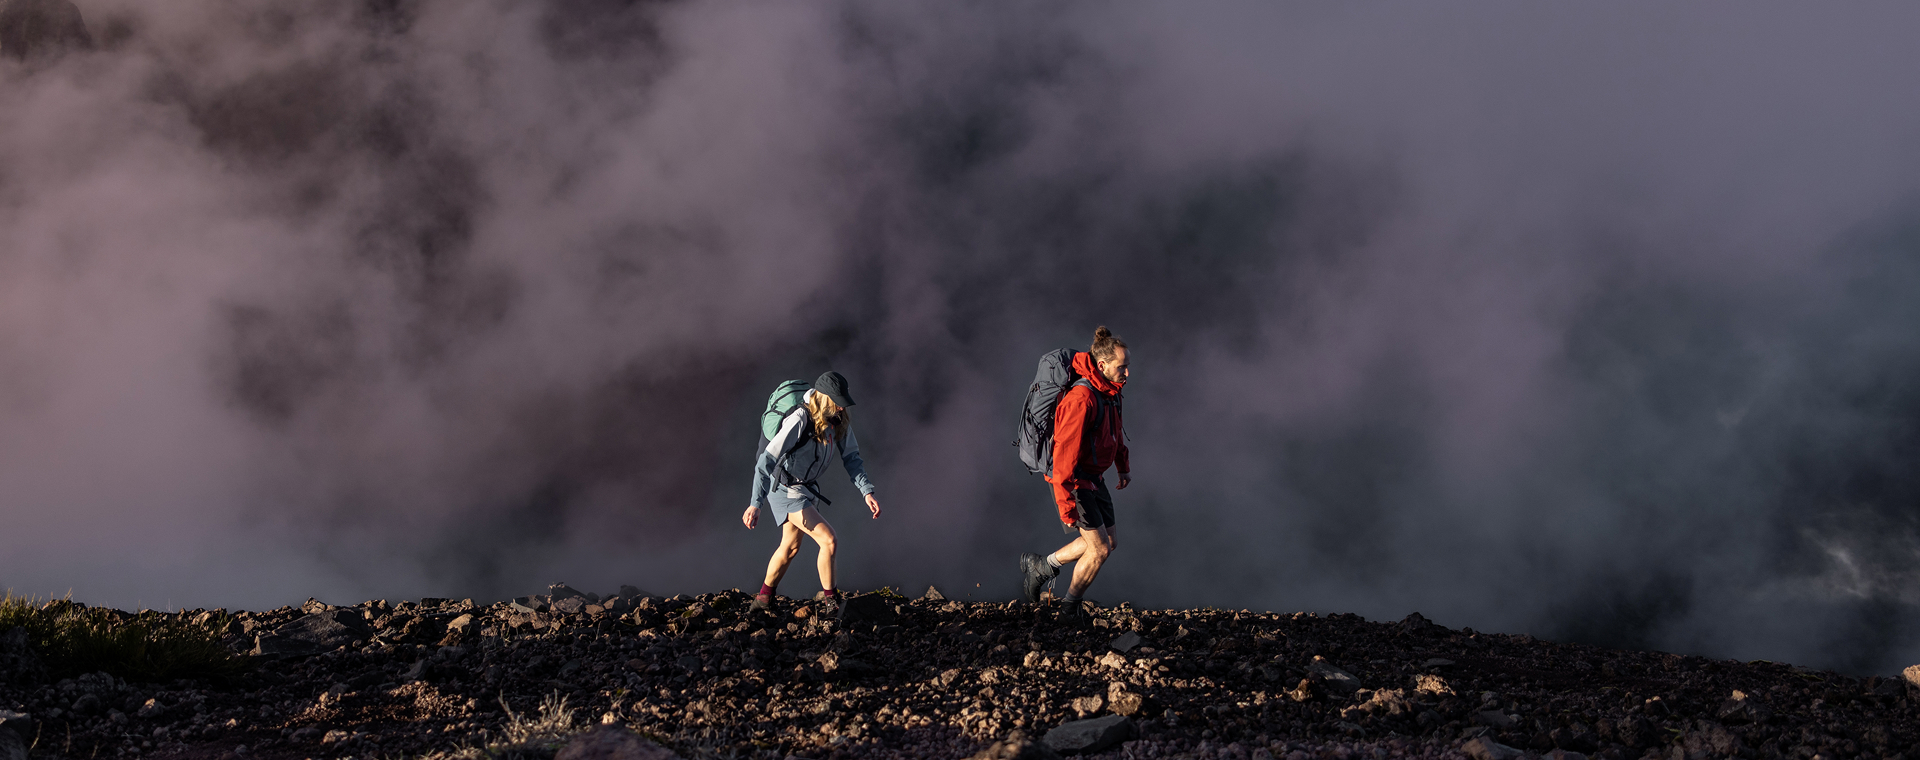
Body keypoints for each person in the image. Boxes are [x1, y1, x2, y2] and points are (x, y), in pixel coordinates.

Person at [743, 371, 882, 618]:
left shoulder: (839, 419)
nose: (842, 407)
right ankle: (832, 604)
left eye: (843, 402)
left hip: (806, 487)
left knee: (790, 547)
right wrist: (756, 503)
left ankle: (763, 600)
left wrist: (866, 492)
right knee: (829, 539)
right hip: (784, 488)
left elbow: (852, 457)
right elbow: (765, 461)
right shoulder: (799, 419)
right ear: (824, 398)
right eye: (837, 402)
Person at [1021, 327, 1130, 615]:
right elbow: (1063, 456)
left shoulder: (1110, 392)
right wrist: (1066, 505)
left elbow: (1115, 432)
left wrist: (1123, 467)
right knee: (1099, 549)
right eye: (1122, 367)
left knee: (1110, 542)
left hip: (1093, 477)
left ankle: (1042, 566)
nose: (1127, 373)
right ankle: (1069, 609)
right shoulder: (1081, 398)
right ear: (1102, 365)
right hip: (1074, 480)